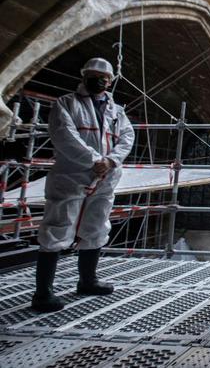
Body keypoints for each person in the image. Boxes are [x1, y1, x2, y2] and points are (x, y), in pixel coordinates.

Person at [32, 58, 135, 313]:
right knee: (58, 226)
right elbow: (64, 136)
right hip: (72, 174)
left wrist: (110, 161)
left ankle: (88, 280)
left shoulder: (116, 111)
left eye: (103, 76)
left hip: (107, 176)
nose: (98, 79)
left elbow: (127, 137)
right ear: (83, 75)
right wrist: (94, 159)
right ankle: (43, 293)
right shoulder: (66, 103)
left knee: (97, 224)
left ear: (110, 80)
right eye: (93, 74)